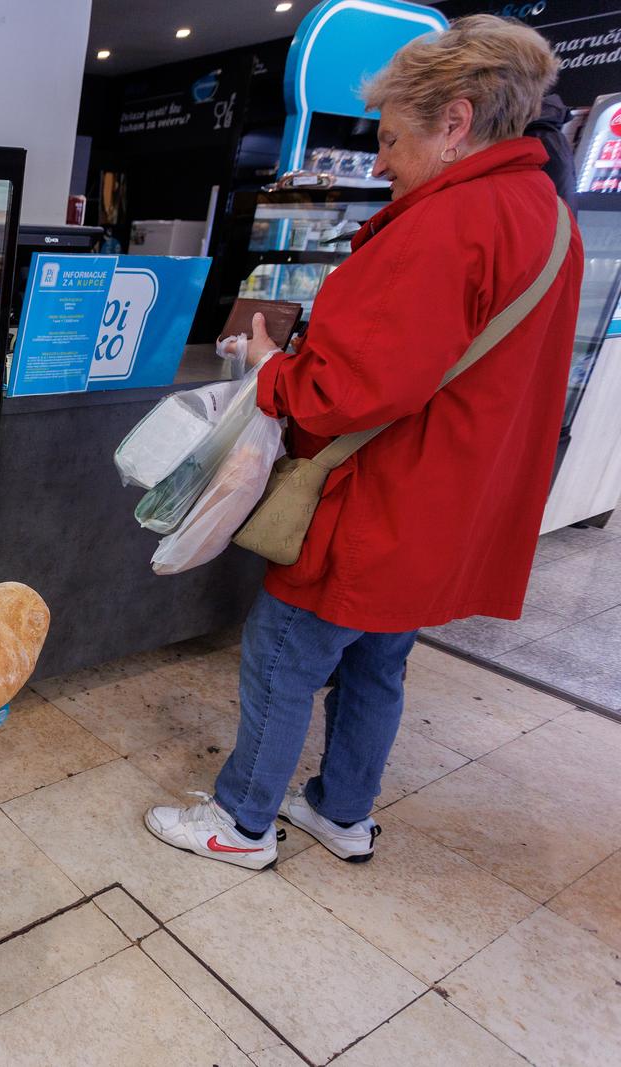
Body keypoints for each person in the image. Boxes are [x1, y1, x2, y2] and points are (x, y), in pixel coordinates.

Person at [145, 15, 583, 869]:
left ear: (454, 122)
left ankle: (241, 823)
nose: (379, 164)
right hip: (450, 503)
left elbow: (347, 391)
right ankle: (342, 811)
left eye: (388, 140)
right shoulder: (548, 215)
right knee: (379, 661)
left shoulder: (446, 224)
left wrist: (271, 369)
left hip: (377, 497)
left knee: (283, 655)